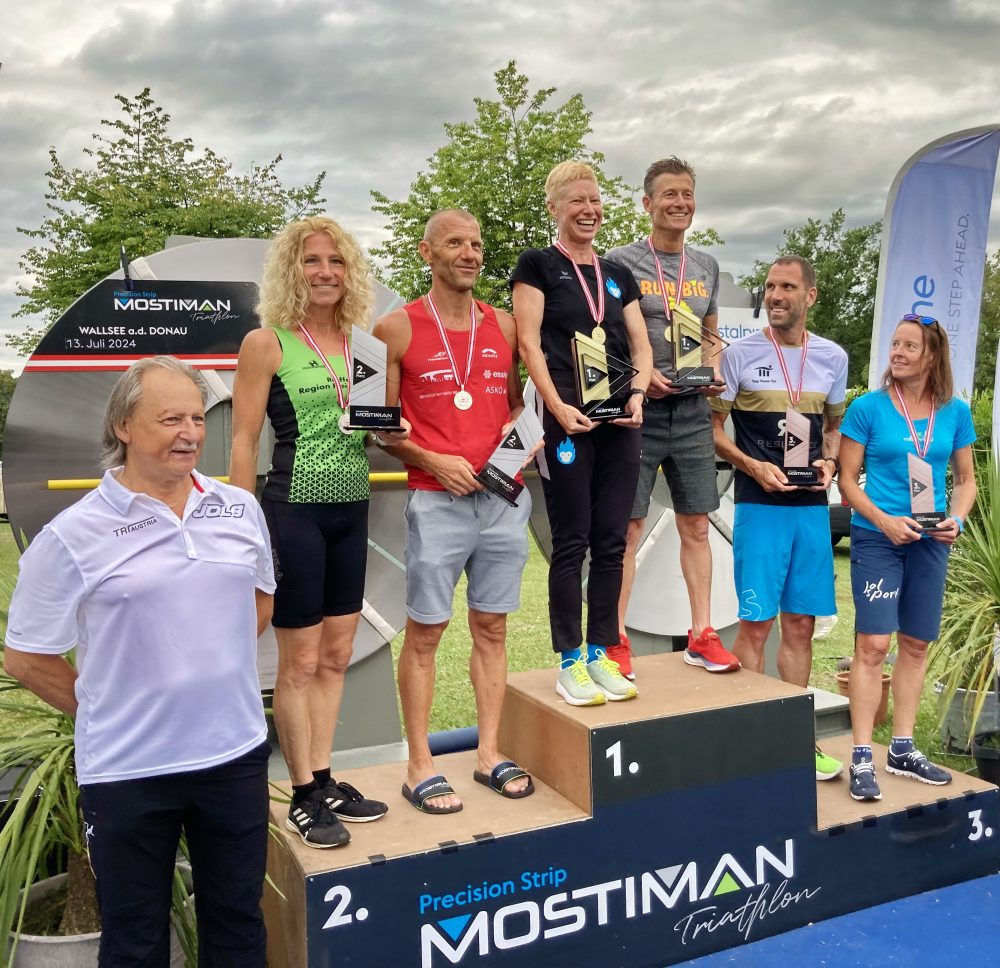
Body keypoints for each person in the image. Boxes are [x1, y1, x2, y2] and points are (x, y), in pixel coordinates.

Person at [5, 356, 275, 967]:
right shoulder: (73, 534)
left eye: (197, 419)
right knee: (135, 942)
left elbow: (260, 600)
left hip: (233, 757)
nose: (190, 433)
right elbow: (25, 656)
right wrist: (104, 708)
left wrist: (208, 663)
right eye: (170, 419)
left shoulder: (240, 509)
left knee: (238, 923)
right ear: (123, 425)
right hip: (128, 771)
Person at [230, 216, 405, 847]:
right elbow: (244, 438)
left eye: (336, 260)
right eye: (311, 260)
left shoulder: (364, 346)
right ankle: (302, 791)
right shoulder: (266, 343)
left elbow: (375, 429)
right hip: (293, 511)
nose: (325, 271)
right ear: (291, 270)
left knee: (336, 655)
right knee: (299, 661)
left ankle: (324, 778)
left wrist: (393, 428)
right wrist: (240, 525)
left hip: (351, 510)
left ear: (350, 271)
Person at [373, 209, 535, 813]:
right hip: (436, 500)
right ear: (427, 253)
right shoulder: (395, 327)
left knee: (492, 628)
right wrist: (432, 460)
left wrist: (521, 441)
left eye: (476, 244)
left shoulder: (504, 324)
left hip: (500, 500)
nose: (469, 254)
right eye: (455, 244)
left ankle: (488, 753)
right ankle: (420, 764)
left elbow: (516, 405)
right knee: (426, 633)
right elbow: (379, 424)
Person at [512, 161, 652, 706]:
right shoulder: (537, 265)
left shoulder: (617, 273)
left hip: (619, 419)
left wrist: (638, 394)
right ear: (554, 208)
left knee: (612, 541)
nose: (589, 209)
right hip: (566, 417)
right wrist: (556, 406)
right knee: (572, 541)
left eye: (594, 199)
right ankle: (570, 661)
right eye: (576, 200)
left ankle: (601, 652)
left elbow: (641, 346)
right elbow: (528, 343)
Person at [710, 256, 847, 782]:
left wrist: (830, 463)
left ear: (810, 296)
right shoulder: (739, 354)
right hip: (759, 506)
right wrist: (752, 466)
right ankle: (750, 742)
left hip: (810, 511)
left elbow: (832, 429)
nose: (775, 295)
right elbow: (713, 433)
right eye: (770, 286)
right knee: (756, 623)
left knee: (801, 625)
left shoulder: (832, 357)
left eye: (787, 287)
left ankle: (794, 742)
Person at [605, 156, 739, 678]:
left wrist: (713, 370)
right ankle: (615, 640)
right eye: (669, 195)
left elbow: (710, 334)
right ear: (647, 203)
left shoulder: (706, 265)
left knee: (697, 524)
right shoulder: (620, 262)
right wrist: (637, 381)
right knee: (629, 527)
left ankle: (702, 635)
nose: (680, 203)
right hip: (639, 413)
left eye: (687, 194)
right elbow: (605, 336)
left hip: (690, 412)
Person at [838, 314, 976, 801]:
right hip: (879, 538)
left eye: (909, 346)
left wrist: (957, 520)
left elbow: (966, 480)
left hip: (930, 539)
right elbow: (846, 480)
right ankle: (861, 754)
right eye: (895, 344)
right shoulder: (868, 408)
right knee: (874, 645)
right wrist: (884, 521)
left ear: (932, 356)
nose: (896, 352)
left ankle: (902, 748)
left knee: (916, 645)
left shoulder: (955, 413)